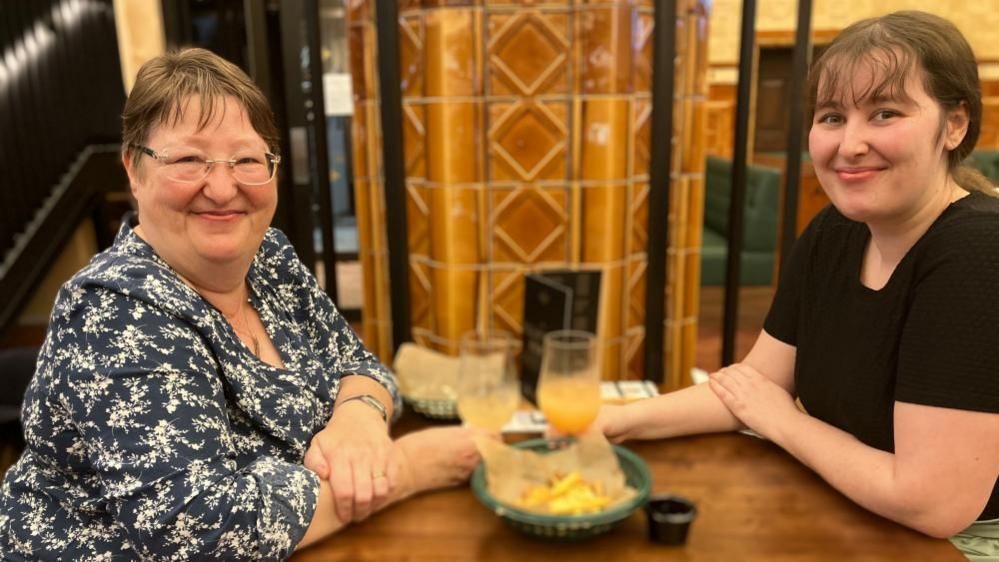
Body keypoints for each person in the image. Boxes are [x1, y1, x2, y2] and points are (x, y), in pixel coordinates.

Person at [0, 48, 480, 561]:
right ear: (134, 171)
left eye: (247, 159)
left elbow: (359, 365)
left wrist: (357, 421)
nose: (224, 187)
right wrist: (403, 468)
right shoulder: (113, 310)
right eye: (189, 159)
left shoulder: (268, 255)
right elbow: (195, 532)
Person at [590, 11, 998, 559]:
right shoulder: (836, 230)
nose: (849, 144)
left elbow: (931, 503)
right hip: (850, 507)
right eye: (832, 117)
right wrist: (611, 423)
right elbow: (753, 387)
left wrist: (783, 422)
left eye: (884, 113)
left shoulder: (978, 252)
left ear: (954, 125)